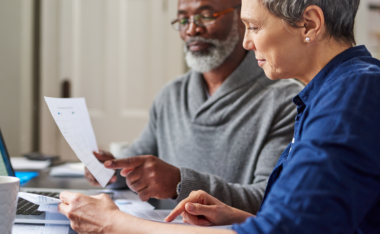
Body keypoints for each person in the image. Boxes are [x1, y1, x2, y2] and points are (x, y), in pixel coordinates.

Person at [58, 0, 380, 233]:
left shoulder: (354, 93)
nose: (246, 41)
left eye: (254, 26)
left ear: (309, 24)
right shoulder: (330, 92)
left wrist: (116, 224)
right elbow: (305, 218)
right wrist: (236, 216)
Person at [85, 0, 303, 214]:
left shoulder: (285, 100)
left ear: (242, 18)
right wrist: (109, 169)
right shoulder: (171, 94)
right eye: (183, 19)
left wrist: (180, 183)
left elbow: (268, 197)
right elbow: (137, 165)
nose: (191, 30)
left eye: (206, 16)